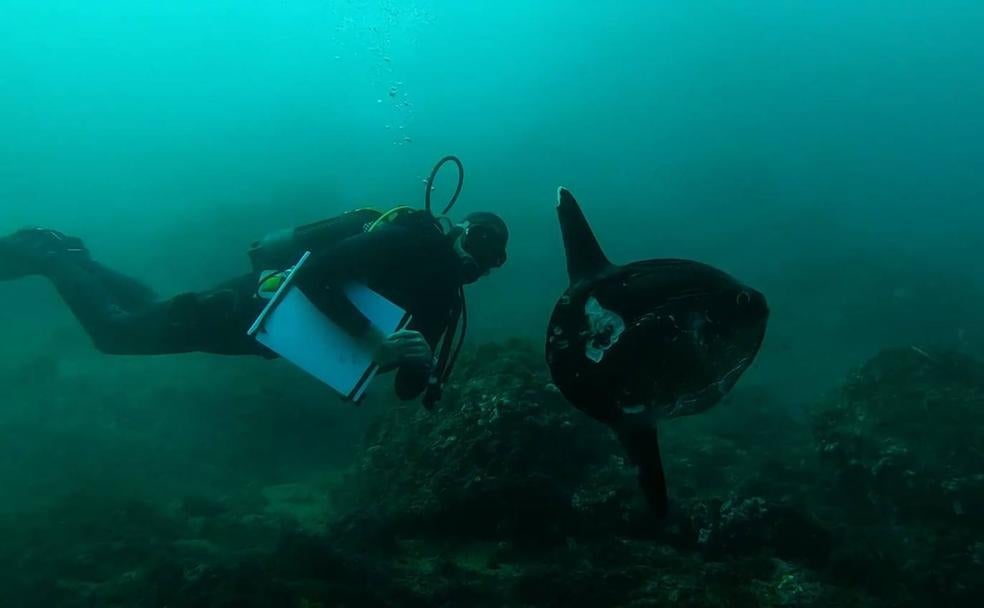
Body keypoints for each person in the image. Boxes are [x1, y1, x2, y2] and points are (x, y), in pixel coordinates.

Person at [0, 205, 508, 406]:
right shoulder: (409, 241)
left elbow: (406, 390)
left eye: (492, 259)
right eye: (479, 243)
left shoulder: (442, 301)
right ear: (458, 231)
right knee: (115, 335)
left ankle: (74, 257)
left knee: (152, 309)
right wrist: (375, 340)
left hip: (259, 331)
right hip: (250, 307)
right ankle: (48, 255)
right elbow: (313, 275)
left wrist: (417, 360)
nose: (480, 262)